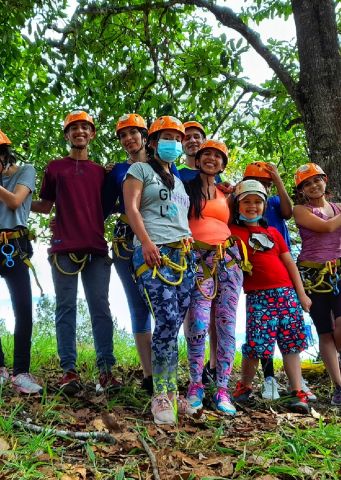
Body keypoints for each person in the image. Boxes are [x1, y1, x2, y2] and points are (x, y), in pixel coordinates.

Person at [31, 110, 120, 395]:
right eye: (74, 128)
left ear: (92, 134)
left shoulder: (100, 172)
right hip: (64, 249)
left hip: (95, 247)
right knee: (65, 308)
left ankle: (105, 371)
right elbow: (44, 205)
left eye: (85, 128)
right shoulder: (55, 167)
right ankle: (69, 371)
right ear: (67, 135)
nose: (80, 132)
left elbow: (109, 205)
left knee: (100, 310)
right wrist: (7, 196)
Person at [123, 115, 196, 425]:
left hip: (183, 256)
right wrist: (147, 242)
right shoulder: (138, 170)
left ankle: (171, 389)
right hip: (153, 253)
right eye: (165, 137)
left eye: (176, 138)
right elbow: (132, 209)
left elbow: (181, 217)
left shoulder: (178, 180)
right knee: (164, 318)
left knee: (175, 322)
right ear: (151, 142)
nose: (173, 143)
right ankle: (160, 393)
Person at [102, 114, 180, 395]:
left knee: (168, 306)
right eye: (123, 135)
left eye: (133, 133)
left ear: (146, 137)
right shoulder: (117, 171)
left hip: (167, 241)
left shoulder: (168, 167)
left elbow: (178, 202)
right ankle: (149, 375)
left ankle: (167, 371)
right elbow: (104, 207)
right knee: (139, 305)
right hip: (127, 240)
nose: (128, 139)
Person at [229, 180, 312, 414]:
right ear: (237, 206)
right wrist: (230, 192)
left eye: (258, 202)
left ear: (265, 206)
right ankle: (244, 386)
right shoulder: (233, 232)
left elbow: (290, 264)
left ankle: (297, 390)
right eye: (246, 202)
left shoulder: (274, 232)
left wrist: (302, 295)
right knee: (256, 344)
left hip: (286, 295)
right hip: (258, 297)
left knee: (291, 343)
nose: (252, 206)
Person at [0, 127, 43, 395]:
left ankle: (21, 371)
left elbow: (15, 201)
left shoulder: (26, 171)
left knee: (23, 308)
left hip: (15, 245)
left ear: (3, 154)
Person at [183, 140, 243, 416]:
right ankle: (195, 384)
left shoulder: (227, 194)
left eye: (217, 157)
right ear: (197, 160)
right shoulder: (185, 189)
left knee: (226, 325)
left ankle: (222, 388)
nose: (211, 159)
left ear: (223, 164)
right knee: (198, 319)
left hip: (228, 260)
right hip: (197, 259)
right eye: (206, 154)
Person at [293, 163, 341, 405]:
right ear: (302, 190)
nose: (313, 186)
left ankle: (329, 354)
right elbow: (328, 226)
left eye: (316, 180)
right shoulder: (300, 210)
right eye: (306, 184)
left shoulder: (339, 207)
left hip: (337, 272)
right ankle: (339, 387)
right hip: (311, 276)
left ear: (325, 180)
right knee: (324, 330)